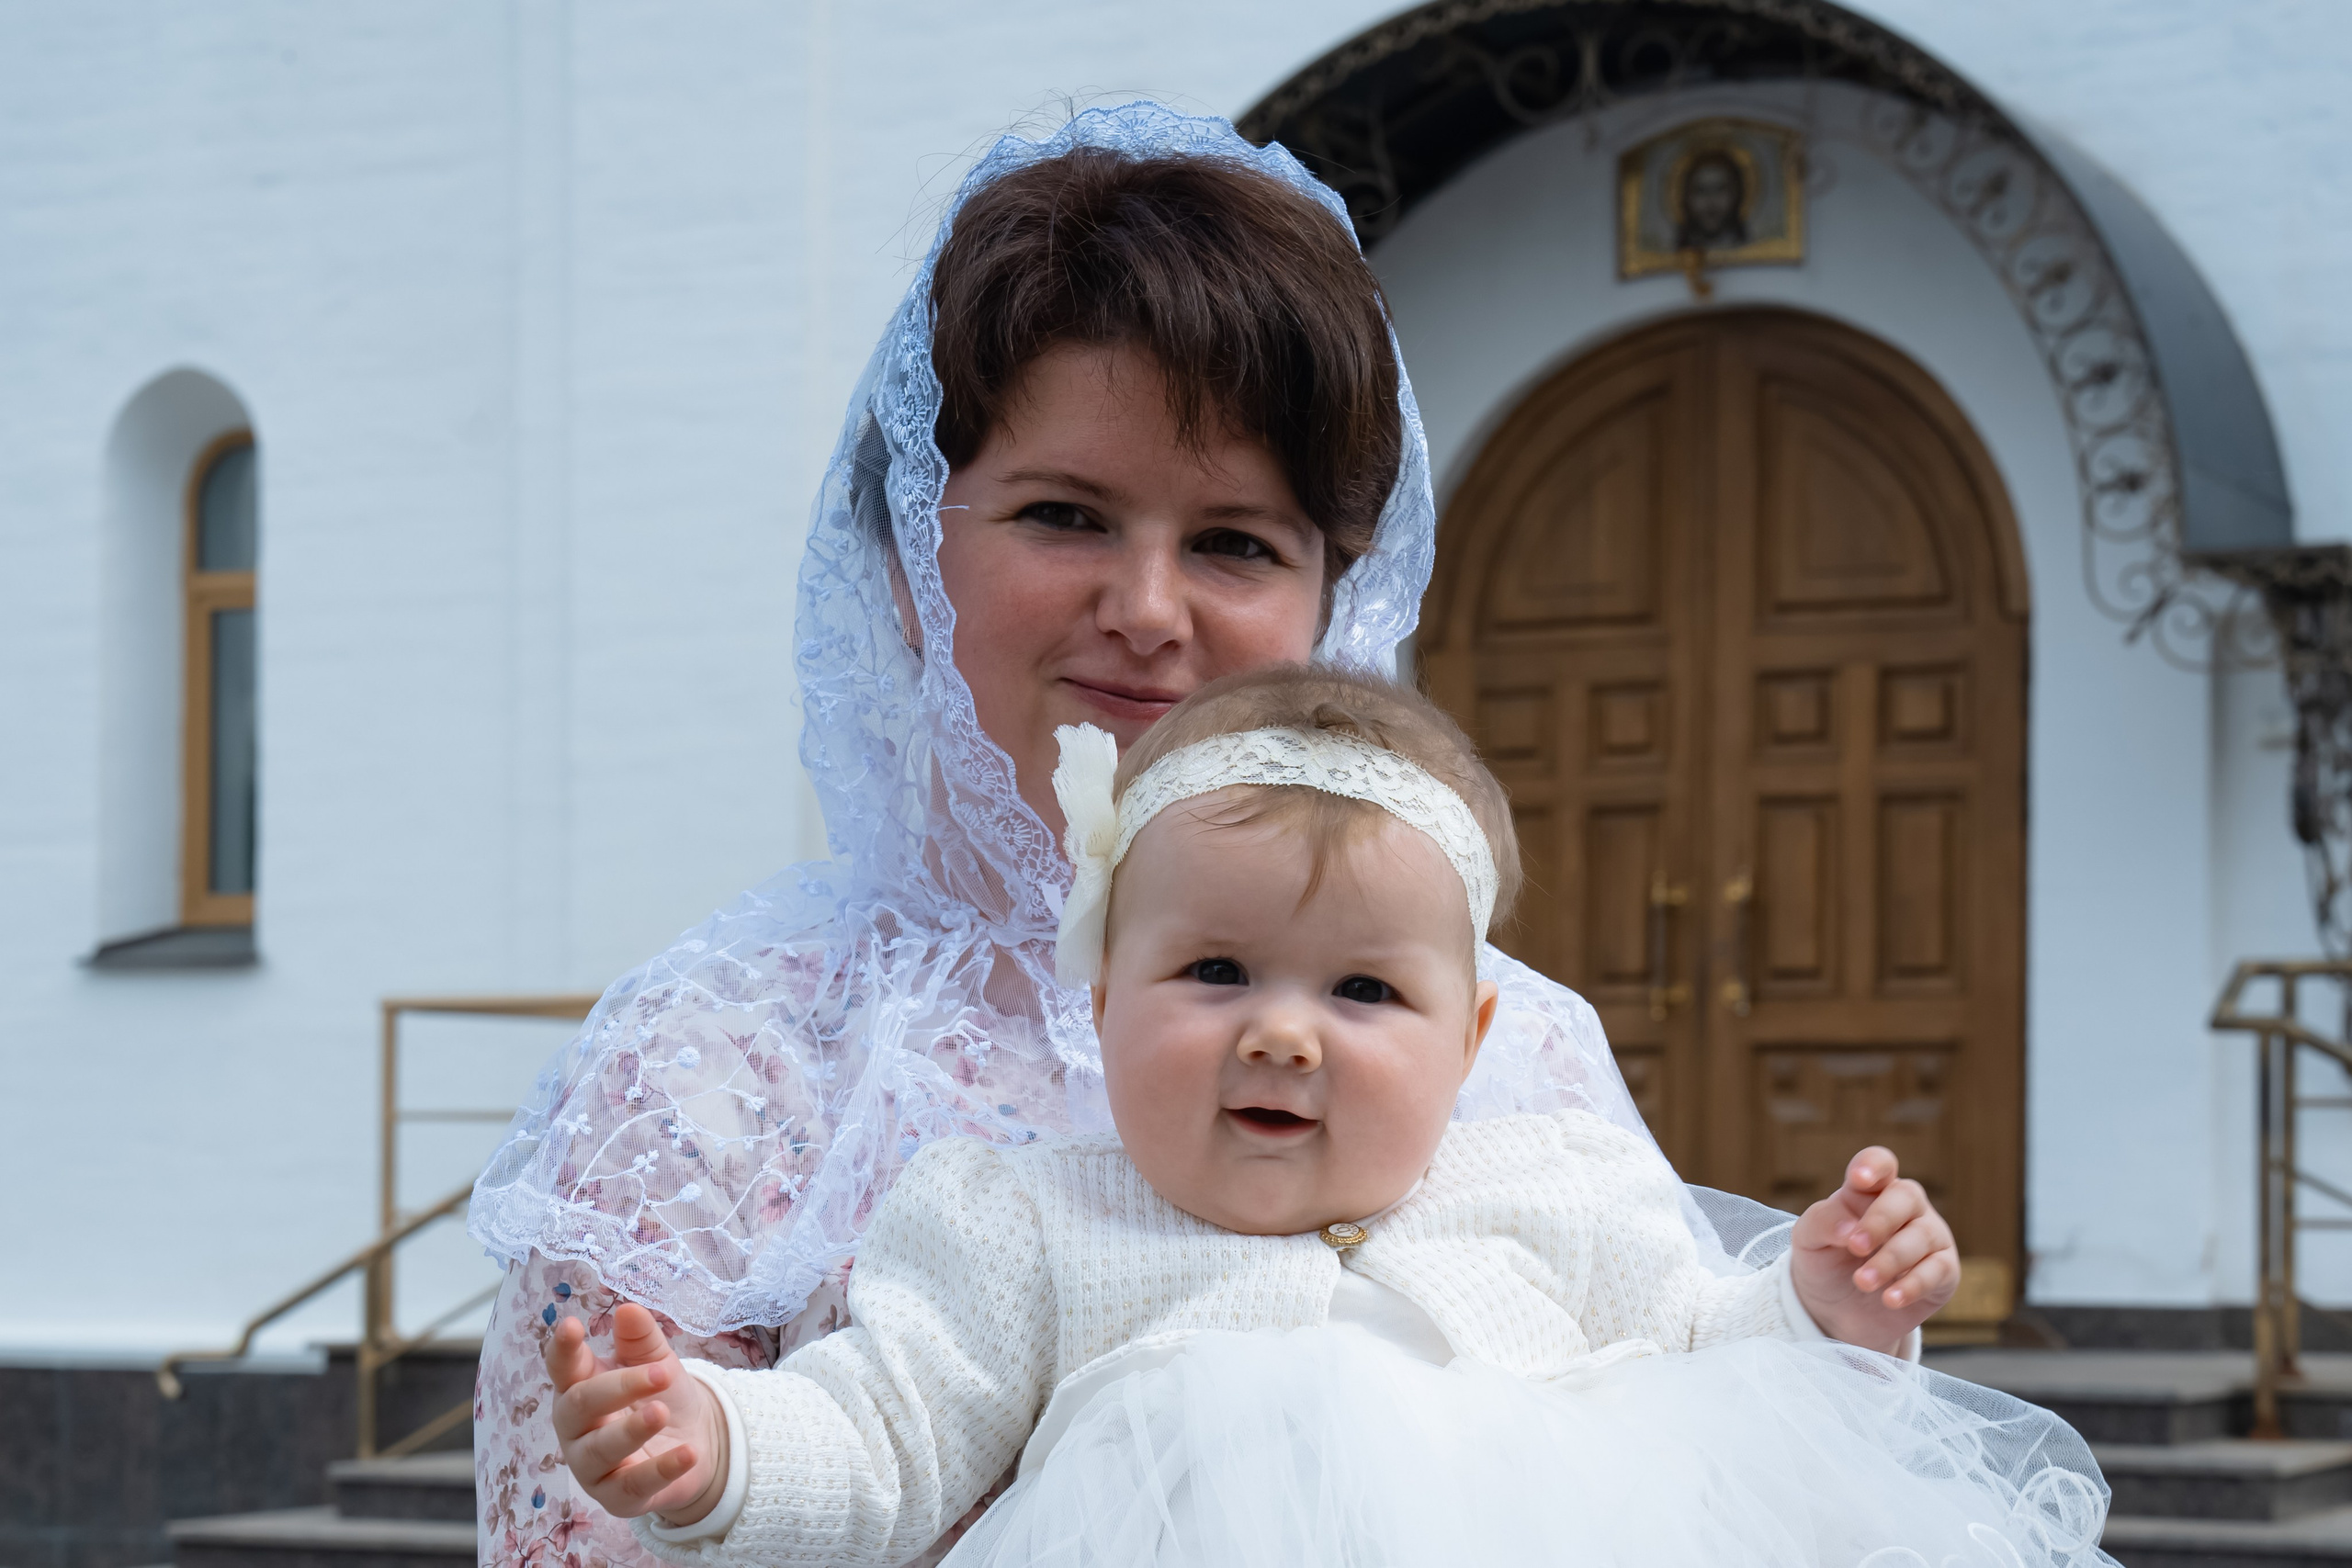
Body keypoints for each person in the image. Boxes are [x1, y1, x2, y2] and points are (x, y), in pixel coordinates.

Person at [467, 103, 1951, 1566]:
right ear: (918, 555)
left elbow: (1711, 1445)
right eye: (1064, 514)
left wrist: (1830, 1312)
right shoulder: (716, 1067)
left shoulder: (1519, 1053)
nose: (1152, 610)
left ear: (1334, 597)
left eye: (1236, 541)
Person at [544, 667, 2109, 1568]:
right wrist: (719, 1440)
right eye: (1215, 970)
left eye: (1365, 993)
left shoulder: (1555, 1188)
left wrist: (1826, 1311)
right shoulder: (1023, 1222)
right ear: (1104, 1005)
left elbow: (1728, 1386)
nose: (1283, 1031)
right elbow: (889, 1429)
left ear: (1473, 1036)